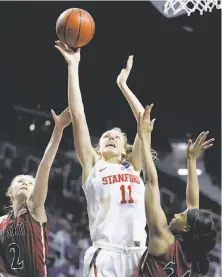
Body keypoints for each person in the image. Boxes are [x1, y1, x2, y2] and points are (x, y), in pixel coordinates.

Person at [55, 41, 148, 277]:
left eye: (116, 137)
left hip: (139, 255)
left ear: (125, 150)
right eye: (106, 136)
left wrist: (123, 85)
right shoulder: (94, 165)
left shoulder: (133, 167)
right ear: (97, 147)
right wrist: (73, 67)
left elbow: (143, 124)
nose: (110, 138)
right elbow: (77, 114)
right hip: (106, 255)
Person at [136, 106, 217, 277]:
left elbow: (151, 182)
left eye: (182, 215)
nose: (177, 214)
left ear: (186, 228)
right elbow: (193, 204)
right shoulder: (193, 259)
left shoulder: (163, 239)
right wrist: (191, 160)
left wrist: (143, 136)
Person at [0, 108, 71, 277]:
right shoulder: (1, 222)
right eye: (20, 181)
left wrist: (58, 129)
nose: (25, 182)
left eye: (30, 182)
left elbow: (45, 166)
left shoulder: (34, 209)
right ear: (10, 192)